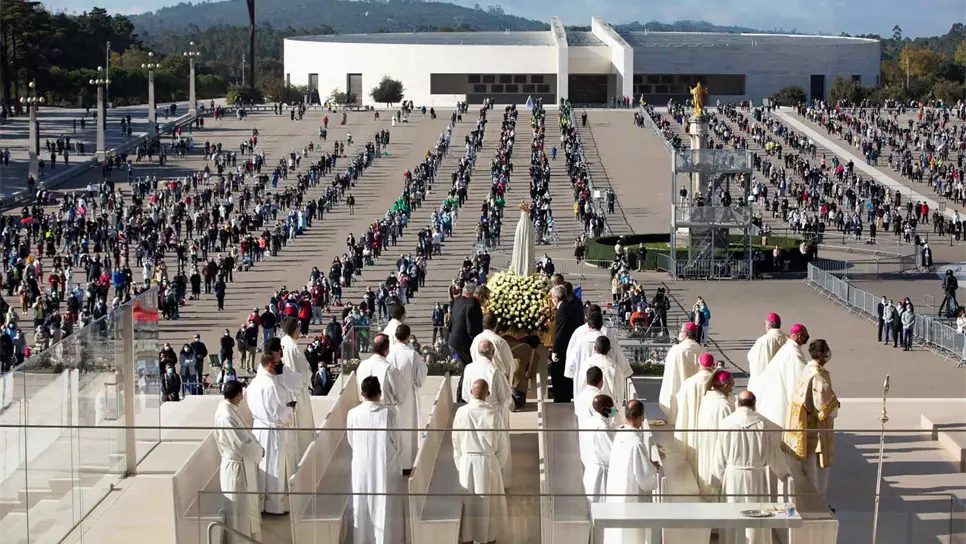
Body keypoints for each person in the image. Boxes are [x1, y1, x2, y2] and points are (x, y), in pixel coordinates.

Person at [711, 391, 790, 544]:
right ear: (754, 405)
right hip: (756, 477)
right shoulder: (762, 424)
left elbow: (719, 454)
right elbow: (773, 453)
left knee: (733, 514)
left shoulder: (727, 423)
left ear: (737, 404)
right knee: (755, 516)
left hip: (733, 477)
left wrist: (715, 480)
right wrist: (784, 473)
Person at [347, 376, 404, 544]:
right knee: (384, 504)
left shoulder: (353, 413)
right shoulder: (389, 413)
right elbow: (398, 442)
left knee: (362, 502)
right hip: (384, 465)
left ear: (362, 393)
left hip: (361, 465)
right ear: (380, 393)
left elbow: (351, 439)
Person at [452, 379, 509, 544]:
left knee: (468, 503)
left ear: (471, 392)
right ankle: (488, 537)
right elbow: (502, 446)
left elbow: (456, 441)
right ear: (488, 394)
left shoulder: (461, 412)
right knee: (488, 506)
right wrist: (494, 465)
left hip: (467, 462)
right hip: (488, 462)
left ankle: (467, 537)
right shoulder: (494, 414)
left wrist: (461, 463)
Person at [784, 339, 840, 502]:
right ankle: (816, 502)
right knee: (816, 472)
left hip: (806, 427)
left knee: (807, 469)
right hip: (816, 431)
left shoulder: (806, 371)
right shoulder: (818, 376)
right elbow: (823, 407)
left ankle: (808, 500)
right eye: (827, 350)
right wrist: (836, 404)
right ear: (821, 354)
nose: (829, 353)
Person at [213, 380, 264, 543]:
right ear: (238, 395)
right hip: (236, 469)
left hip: (242, 464)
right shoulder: (226, 416)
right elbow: (241, 444)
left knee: (245, 509)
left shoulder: (230, 410)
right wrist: (259, 451)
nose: (242, 398)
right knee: (238, 511)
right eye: (241, 394)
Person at [247, 353, 297, 514]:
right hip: (272, 432)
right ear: (270, 364)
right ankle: (274, 506)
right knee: (274, 465)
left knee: (262, 465)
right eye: (278, 363)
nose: (280, 365)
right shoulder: (270, 386)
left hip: (259, 428)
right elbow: (277, 413)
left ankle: (261, 503)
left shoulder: (254, 383)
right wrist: (291, 409)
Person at [604, 399, 659, 544]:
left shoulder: (620, 434)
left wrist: (647, 462)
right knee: (631, 535)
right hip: (630, 493)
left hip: (617, 490)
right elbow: (645, 479)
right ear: (641, 417)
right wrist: (653, 468)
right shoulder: (636, 443)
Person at [461, 338, 513, 480]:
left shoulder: (469, 368)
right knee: (497, 447)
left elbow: (465, 394)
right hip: (492, 413)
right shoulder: (494, 370)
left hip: (472, 413)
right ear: (493, 352)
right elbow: (505, 398)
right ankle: (498, 477)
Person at [748, 323, 809, 428]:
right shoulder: (793, 353)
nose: (807, 339)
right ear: (799, 336)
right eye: (805, 336)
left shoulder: (787, 348)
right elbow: (801, 377)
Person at [386, 323, 428, 474]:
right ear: (408, 337)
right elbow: (421, 376)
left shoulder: (390, 355)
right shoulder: (412, 354)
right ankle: (408, 463)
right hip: (409, 396)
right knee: (408, 430)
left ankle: (396, 463)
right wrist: (415, 384)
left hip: (393, 397)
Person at [672, 352, 716, 477]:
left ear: (698, 365)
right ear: (713, 365)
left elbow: (680, 401)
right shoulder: (716, 382)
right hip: (709, 426)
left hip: (691, 424)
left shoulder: (689, 382)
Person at [565, 311, 632, 392]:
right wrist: (626, 372)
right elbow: (619, 357)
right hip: (604, 385)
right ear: (601, 325)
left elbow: (571, 363)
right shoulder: (607, 340)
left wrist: (572, 374)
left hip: (584, 384)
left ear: (588, 325)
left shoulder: (580, 342)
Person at [695, 369, 736, 499]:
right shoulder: (724, 405)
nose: (731, 390)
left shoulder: (707, 399)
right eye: (730, 386)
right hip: (717, 445)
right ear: (725, 385)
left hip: (706, 442)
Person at [278, 319, 316, 456]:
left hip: (287, 386)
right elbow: (304, 369)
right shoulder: (293, 347)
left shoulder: (283, 341)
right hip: (298, 388)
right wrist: (309, 373)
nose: (299, 331)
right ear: (294, 330)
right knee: (302, 419)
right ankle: (304, 448)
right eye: (298, 328)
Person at [658, 322, 703, 422]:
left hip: (678, 390)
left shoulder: (676, 350)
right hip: (694, 393)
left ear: (685, 334)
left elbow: (669, 373)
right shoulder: (701, 350)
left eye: (681, 331)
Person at [580, 336, 629, 426]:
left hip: (586, 409)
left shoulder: (586, 364)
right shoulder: (615, 367)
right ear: (609, 349)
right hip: (609, 412)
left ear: (595, 348)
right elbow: (620, 393)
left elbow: (581, 386)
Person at [449, 284, 483, 403]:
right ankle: (462, 397)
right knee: (468, 369)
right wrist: (478, 342)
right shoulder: (472, 304)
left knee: (466, 369)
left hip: (454, 341)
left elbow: (451, 323)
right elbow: (471, 329)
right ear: (471, 293)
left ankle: (461, 396)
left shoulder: (457, 301)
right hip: (464, 343)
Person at [551, 284, 585, 403]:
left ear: (556, 298)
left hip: (563, 347)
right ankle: (565, 394)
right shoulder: (570, 306)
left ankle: (561, 396)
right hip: (571, 344)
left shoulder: (562, 309)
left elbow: (560, 331)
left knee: (558, 372)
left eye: (552, 297)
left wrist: (555, 350)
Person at [579, 394, 615, 503]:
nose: (613, 409)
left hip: (590, 471)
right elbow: (612, 453)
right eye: (611, 406)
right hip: (602, 475)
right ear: (604, 409)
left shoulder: (588, 423)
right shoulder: (602, 427)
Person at [356, 333, 407, 406]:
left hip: (364, 407)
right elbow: (401, 396)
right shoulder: (390, 369)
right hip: (386, 408)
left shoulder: (362, 365)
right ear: (387, 347)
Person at [469, 313, 515, 380]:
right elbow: (509, 364)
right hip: (496, 379)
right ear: (496, 325)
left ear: (483, 324)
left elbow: (473, 358)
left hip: (479, 377)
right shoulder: (500, 341)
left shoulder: (476, 340)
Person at [746, 313, 788, 383]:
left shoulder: (763, 340)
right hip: (783, 377)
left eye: (765, 324)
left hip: (768, 379)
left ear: (769, 325)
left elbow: (752, 357)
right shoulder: (788, 338)